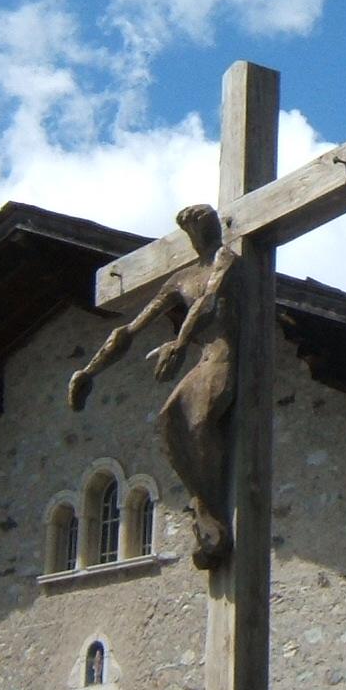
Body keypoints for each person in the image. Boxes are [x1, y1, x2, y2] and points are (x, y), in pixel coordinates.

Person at [65, 203, 239, 569]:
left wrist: (179, 343)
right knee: (169, 421)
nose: (203, 231)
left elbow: (208, 301)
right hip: (205, 356)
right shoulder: (180, 279)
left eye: (206, 223)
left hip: (225, 354)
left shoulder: (226, 258)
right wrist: (89, 371)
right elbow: (130, 330)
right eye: (195, 226)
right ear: (188, 234)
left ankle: (211, 513)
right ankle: (205, 512)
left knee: (196, 421)